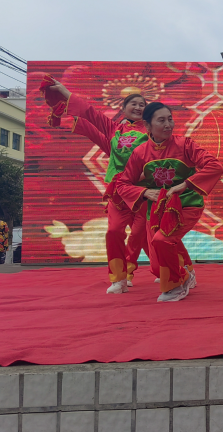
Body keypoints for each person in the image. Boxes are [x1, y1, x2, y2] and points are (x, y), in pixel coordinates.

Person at [46, 80, 154, 293]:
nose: (138, 107)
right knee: (113, 232)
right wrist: (64, 93)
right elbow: (90, 113)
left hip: (143, 191)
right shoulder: (114, 130)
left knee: (141, 235)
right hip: (118, 191)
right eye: (133, 104)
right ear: (123, 108)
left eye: (142, 104)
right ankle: (118, 278)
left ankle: (172, 270)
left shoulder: (152, 131)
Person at [116, 102, 223, 302]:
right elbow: (123, 183)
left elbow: (214, 166)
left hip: (186, 203)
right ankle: (186, 272)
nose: (168, 124)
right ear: (147, 126)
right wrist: (145, 192)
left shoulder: (185, 145)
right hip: (158, 210)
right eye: (161, 120)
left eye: (170, 119)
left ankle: (177, 284)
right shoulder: (140, 153)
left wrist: (184, 185)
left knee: (162, 240)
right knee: (157, 263)